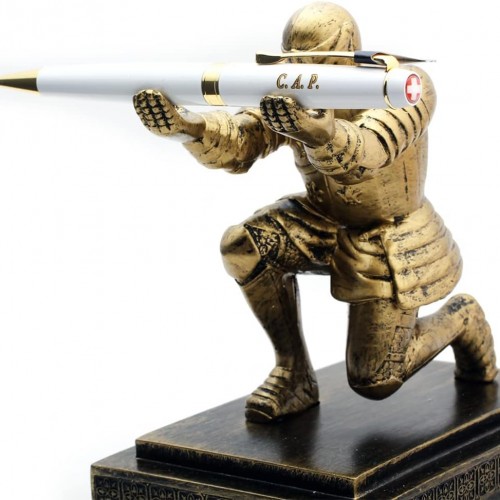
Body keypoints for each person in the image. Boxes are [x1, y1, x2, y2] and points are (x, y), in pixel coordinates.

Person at [133, 2, 497, 423]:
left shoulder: (404, 88)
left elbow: (371, 150)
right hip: (320, 219)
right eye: (294, 62)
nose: (301, 72)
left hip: (387, 235)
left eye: (314, 63)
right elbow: (245, 139)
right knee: (245, 246)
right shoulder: (293, 87)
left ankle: (461, 318)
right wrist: (188, 126)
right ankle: (294, 375)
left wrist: (320, 131)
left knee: (376, 379)